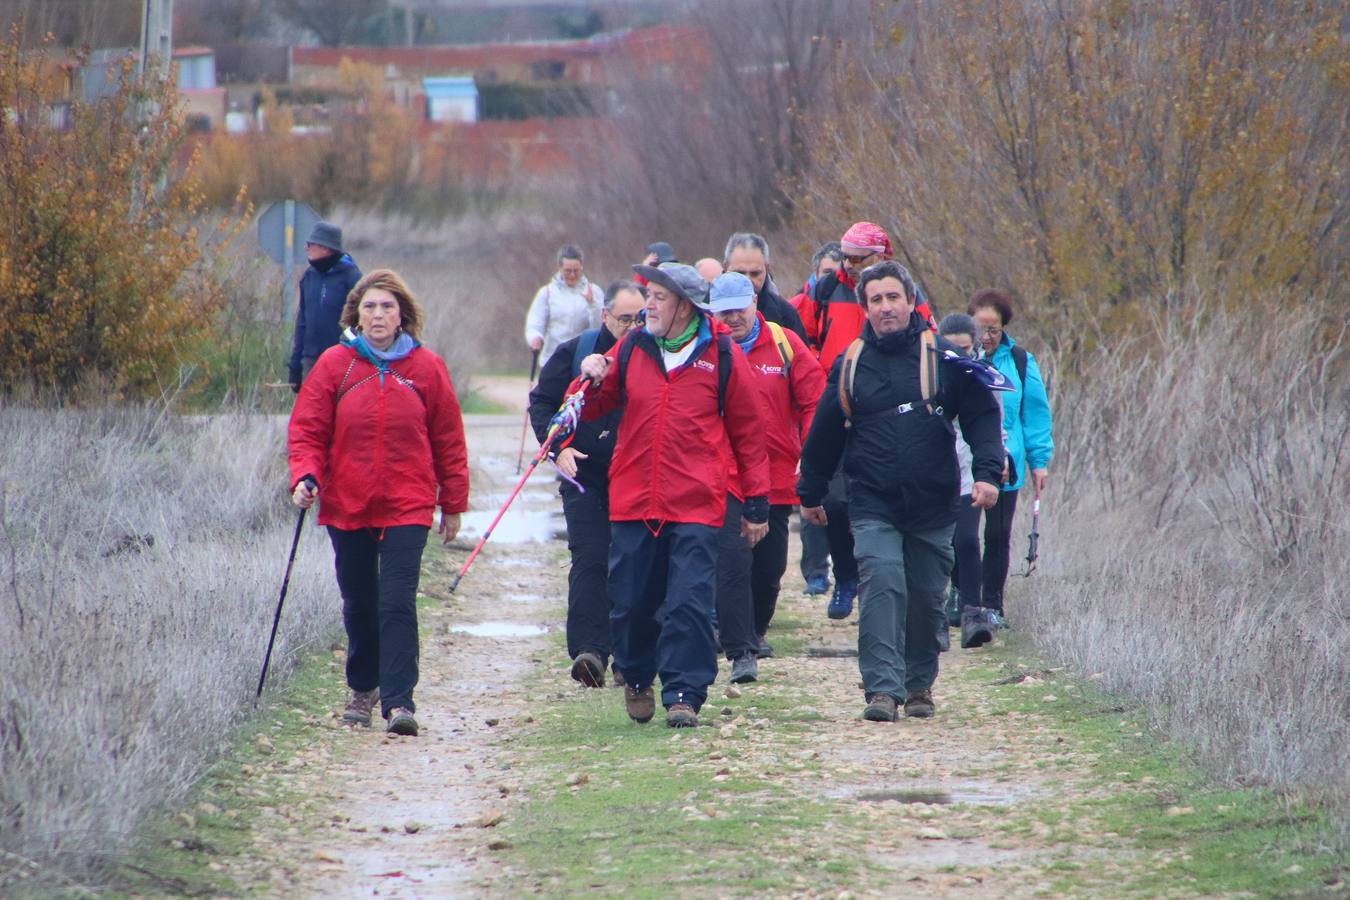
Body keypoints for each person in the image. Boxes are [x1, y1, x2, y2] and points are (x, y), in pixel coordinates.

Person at [799, 261, 1002, 722]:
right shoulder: (850, 363)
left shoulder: (944, 359)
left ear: (911, 302)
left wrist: (988, 472)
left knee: (927, 597)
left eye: (894, 297)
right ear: (864, 308)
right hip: (872, 501)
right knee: (883, 584)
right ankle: (882, 690)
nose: (886, 307)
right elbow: (824, 433)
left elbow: (981, 416)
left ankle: (918, 686)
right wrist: (810, 492)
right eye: (876, 300)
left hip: (934, 502)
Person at [576, 262, 770, 729]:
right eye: (649, 296)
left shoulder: (720, 351)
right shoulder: (633, 346)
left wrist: (756, 504)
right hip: (635, 497)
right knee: (631, 601)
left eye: (659, 297)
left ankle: (684, 692)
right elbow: (591, 407)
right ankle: (639, 676)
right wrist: (592, 375)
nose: (649, 305)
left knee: (689, 601)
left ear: (685, 305)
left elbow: (748, 430)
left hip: (697, 499)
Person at [288, 269, 470, 737]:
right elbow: (308, 428)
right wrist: (305, 474)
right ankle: (361, 687)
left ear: (403, 315)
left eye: (387, 306)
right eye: (369, 306)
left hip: (408, 503)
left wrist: (453, 503)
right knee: (359, 602)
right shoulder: (335, 364)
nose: (378, 314)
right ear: (356, 314)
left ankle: (399, 702)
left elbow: (448, 438)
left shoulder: (427, 368)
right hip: (348, 502)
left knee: (396, 602)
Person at [527, 281, 646, 688]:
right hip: (584, 476)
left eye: (640, 318)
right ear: (606, 316)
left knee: (632, 564)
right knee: (591, 558)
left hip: (637, 474)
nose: (632, 327)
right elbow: (542, 404)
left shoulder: (651, 354)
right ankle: (590, 652)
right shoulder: (575, 353)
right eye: (625, 319)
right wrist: (556, 448)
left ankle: (630, 658)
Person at [708, 272, 824, 681]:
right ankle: (741, 646)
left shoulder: (783, 343)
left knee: (770, 567)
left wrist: (810, 454)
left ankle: (753, 631)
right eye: (724, 312)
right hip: (724, 475)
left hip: (776, 474)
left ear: (755, 302)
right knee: (733, 560)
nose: (733, 318)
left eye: (739, 309)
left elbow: (815, 401)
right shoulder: (708, 349)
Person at [967, 289, 1054, 630]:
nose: (986, 337)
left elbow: (1034, 414)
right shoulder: (956, 357)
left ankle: (992, 606)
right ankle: (962, 596)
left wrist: (1039, 461)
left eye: (994, 330)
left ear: (1003, 329)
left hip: (1008, 462)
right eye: (980, 329)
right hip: (966, 461)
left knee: (998, 535)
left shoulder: (1019, 361)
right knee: (962, 535)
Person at [936, 312, 1009, 650]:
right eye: (951, 350)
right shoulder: (928, 375)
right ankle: (934, 612)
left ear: (975, 346)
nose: (958, 358)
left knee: (967, 538)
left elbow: (995, 424)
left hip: (970, 471)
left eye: (964, 349)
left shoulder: (984, 377)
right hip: (933, 470)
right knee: (939, 544)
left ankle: (972, 612)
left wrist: (996, 464)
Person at [790, 242, 843, 596]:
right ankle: (815, 571)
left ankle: (847, 569)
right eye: (827, 273)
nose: (834, 280)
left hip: (848, 404)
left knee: (843, 495)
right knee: (812, 485)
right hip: (811, 406)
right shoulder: (800, 307)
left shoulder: (861, 304)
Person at [288, 221, 362, 392]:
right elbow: (302, 323)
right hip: (311, 361)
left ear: (326, 248)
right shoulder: (309, 277)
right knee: (311, 415)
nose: (306, 248)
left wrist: (347, 350)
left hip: (343, 361)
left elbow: (361, 324)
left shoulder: (353, 278)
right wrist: (295, 365)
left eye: (310, 244)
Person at [524, 244, 604, 364]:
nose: (572, 275)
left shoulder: (594, 291)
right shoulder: (547, 293)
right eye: (568, 271)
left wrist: (593, 305)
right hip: (553, 358)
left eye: (576, 271)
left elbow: (600, 328)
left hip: (582, 359)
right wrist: (535, 338)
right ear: (560, 268)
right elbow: (534, 323)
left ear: (581, 267)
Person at [722, 232, 808, 343]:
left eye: (755, 273)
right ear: (725, 267)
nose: (747, 281)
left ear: (766, 269)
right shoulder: (705, 310)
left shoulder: (785, 314)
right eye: (740, 273)